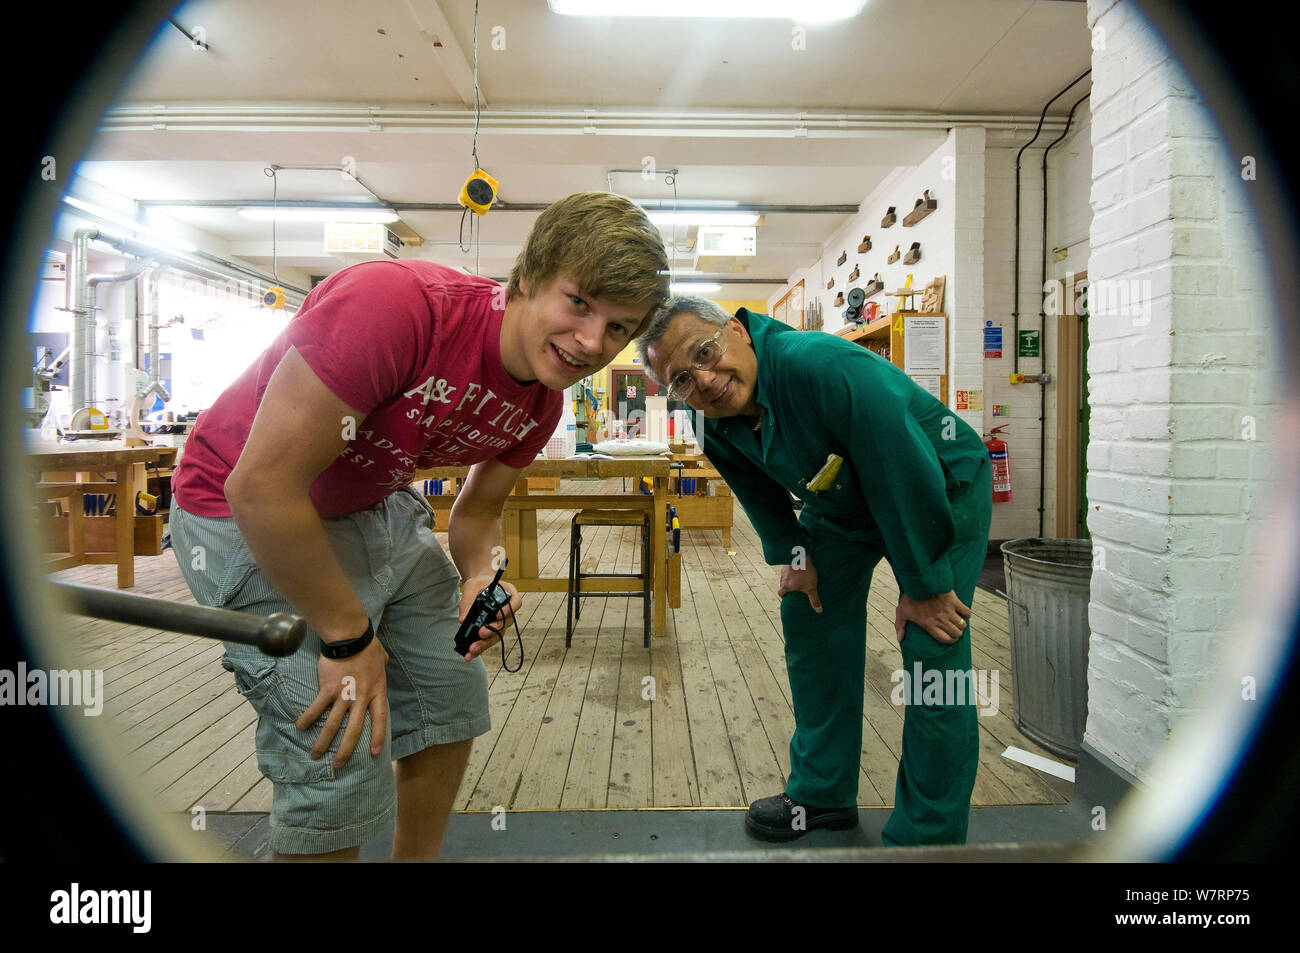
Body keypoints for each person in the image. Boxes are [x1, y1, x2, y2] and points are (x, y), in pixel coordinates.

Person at [168, 192, 669, 860]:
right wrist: (349, 638)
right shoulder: (397, 305)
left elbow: (479, 511)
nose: (591, 342)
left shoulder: (542, 405)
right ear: (528, 276)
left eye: (617, 328)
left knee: (448, 691)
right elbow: (261, 488)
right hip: (241, 506)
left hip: (371, 501)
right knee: (339, 743)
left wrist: (482, 576)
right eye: (578, 303)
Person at [638, 296, 992, 846]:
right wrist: (795, 556)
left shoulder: (821, 364)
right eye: (681, 379)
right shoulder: (705, 415)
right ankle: (823, 795)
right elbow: (756, 489)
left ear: (736, 329)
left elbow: (900, 465)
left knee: (932, 652)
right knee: (810, 612)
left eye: (705, 353)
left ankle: (928, 835)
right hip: (843, 496)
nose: (704, 380)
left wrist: (924, 586)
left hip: (938, 488)